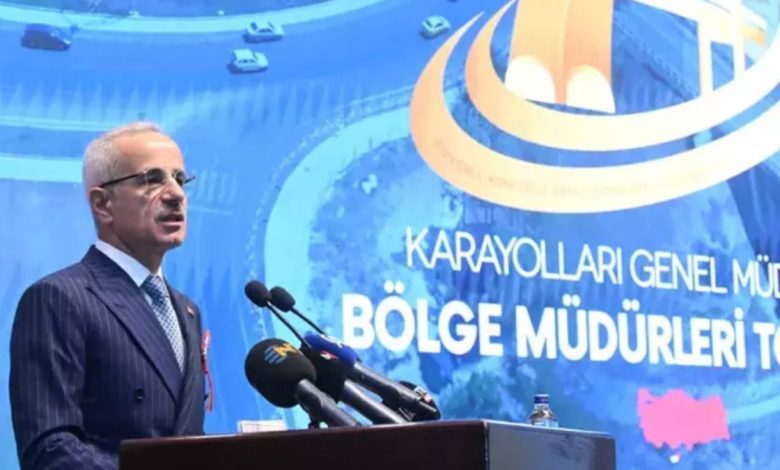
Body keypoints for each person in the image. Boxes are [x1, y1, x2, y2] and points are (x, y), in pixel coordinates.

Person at [9, 122, 206, 470]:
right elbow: (49, 449)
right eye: (152, 179)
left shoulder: (186, 311)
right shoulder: (59, 298)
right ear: (102, 204)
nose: (175, 193)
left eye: (179, 178)